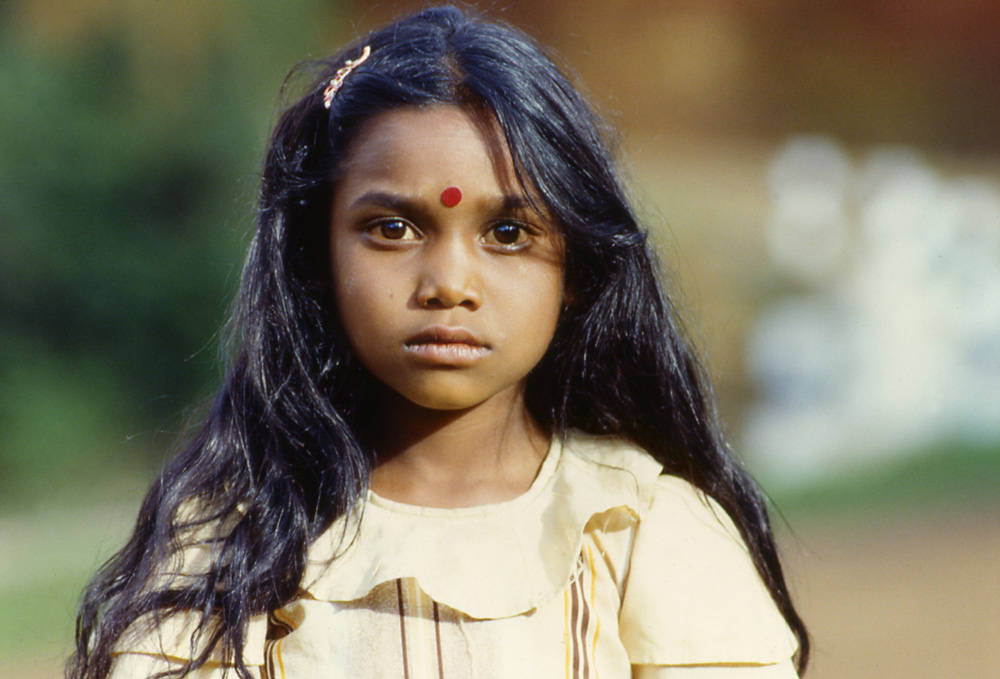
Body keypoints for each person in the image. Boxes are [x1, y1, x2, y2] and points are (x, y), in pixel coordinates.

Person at [70, 6, 808, 679]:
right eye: (393, 228)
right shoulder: (232, 539)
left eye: (508, 234)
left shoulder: (643, 528)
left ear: (579, 266)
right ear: (316, 257)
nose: (449, 283)